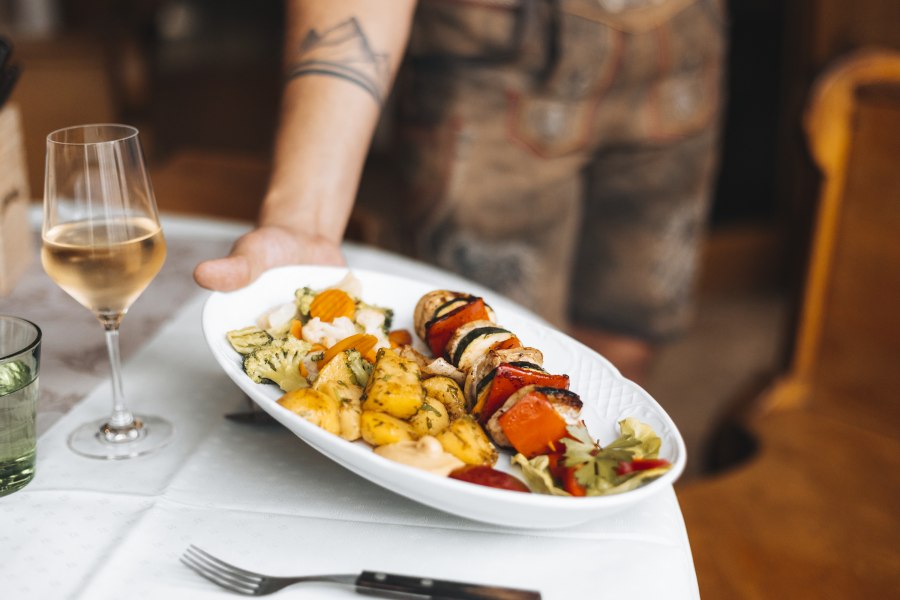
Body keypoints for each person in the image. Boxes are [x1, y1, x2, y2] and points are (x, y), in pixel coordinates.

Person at [194, 0, 726, 383]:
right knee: (485, 360)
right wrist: (301, 220)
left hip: (683, 41)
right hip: (497, 54)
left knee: (626, 344)